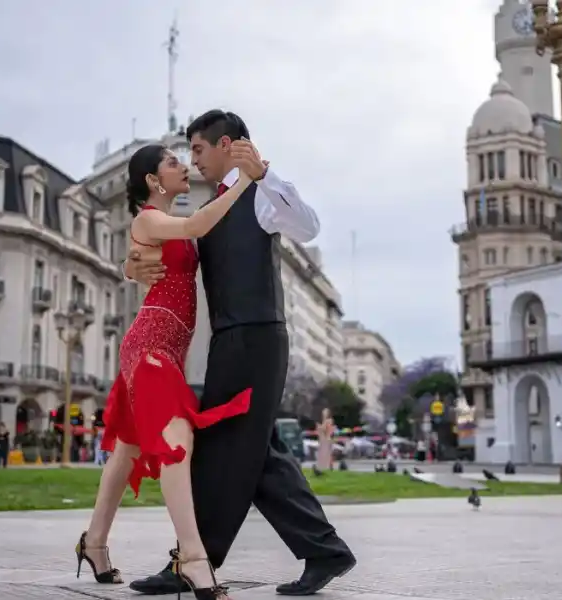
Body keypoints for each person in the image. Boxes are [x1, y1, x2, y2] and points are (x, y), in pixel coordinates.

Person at [126, 110, 355, 597]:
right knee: (254, 452)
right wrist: (135, 265)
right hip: (230, 341)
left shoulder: (260, 194)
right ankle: (323, 551)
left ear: (226, 145)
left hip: (256, 337)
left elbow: (309, 227)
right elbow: (164, 249)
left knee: (225, 448)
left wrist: (265, 175)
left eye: (198, 149)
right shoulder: (212, 204)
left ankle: (195, 561)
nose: (193, 160)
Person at [76, 142, 254, 599]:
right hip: (150, 345)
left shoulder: (163, 223)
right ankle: (192, 556)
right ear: (154, 180)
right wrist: (244, 181)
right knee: (178, 439)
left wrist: (130, 266)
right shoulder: (149, 218)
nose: (184, 166)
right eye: (173, 162)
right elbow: (194, 225)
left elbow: (157, 251)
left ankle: (94, 542)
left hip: (169, 348)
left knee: (127, 452)